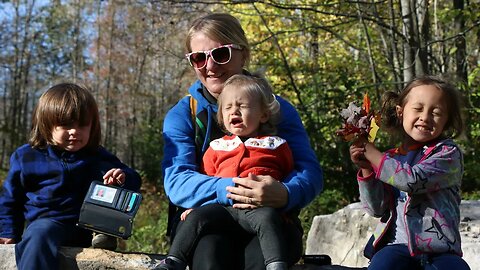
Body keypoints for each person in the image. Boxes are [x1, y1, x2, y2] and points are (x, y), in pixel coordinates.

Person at [161, 13, 323, 270]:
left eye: (221, 54)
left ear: (243, 53)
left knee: (263, 258)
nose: (211, 67)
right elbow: (177, 181)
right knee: (209, 255)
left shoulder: (278, 109)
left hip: (272, 219)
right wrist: (235, 189)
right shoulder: (184, 115)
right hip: (207, 224)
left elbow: (310, 172)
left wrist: (285, 193)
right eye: (199, 58)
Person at [0, 82, 142, 270]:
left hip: (87, 225)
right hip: (47, 223)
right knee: (38, 236)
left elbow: (135, 181)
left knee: (108, 201)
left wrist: (122, 177)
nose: (74, 131)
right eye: (65, 125)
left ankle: (104, 236)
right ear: (47, 124)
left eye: (82, 125)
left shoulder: (96, 156)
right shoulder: (27, 156)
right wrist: (8, 232)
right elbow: (11, 199)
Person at [159, 74, 294, 270]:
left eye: (243, 106)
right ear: (222, 115)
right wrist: (198, 206)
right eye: (228, 108)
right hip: (222, 208)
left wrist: (286, 201)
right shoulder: (218, 146)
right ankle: (173, 261)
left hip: (257, 208)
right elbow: (206, 178)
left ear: (263, 114)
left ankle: (275, 264)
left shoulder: (276, 145)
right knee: (195, 217)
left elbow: (290, 175)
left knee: (269, 220)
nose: (234, 111)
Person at [349, 75, 470, 270]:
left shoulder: (448, 154)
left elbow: (413, 180)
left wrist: (375, 156)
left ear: (446, 121)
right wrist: (366, 168)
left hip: (439, 249)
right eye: (418, 108)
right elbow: (375, 209)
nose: (425, 117)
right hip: (395, 245)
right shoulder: (390, 159)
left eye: (436, 112)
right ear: (400, 112)